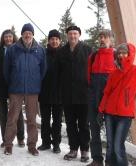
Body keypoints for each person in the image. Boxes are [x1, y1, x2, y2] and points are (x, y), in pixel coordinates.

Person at [3, 23, 47, 156]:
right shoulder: (12, 50)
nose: (27, 35)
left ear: (33, 34)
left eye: (30, 32)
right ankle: (8, 144)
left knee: (32, 119)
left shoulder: (40, 50)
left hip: (33, 91)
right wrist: (12, 83)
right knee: (12, 118)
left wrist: (36, 82)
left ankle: (32, 145)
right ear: (21, 34)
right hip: (16, 90)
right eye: (25, 32)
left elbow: (43, 70)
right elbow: (6, 70)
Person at [58, 25, 92, 162]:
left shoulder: (87, 50)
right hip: (67, 95)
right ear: (67, 35)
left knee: (84, 124)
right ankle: (73, 149)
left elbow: (93, 71)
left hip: (83, 95)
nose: (73, 36)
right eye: (70, 34)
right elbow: (58, 73)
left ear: (79, 35)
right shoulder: (62, 52)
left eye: (75, 34)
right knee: (71, 124)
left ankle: (84, 150)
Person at [0, 29, 25, 148]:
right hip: (1, 87)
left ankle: (20, 138)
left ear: (13, 37)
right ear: (3, 38)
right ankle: (5, 139)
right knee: (3, 114)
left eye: (10, 36)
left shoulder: (20, 50)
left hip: (15, 86)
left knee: (18, 113)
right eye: (6, 37)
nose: (8, 39)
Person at [87, 29, 116, 166]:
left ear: (111, 40)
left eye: (105, 37)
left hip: (110, 101)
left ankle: (110, 161)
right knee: (94, 130)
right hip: (93, 98)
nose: (102, 40)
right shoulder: (93, 56)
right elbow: (88, 77)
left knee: (111, 133)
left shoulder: (116, 56)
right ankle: (97, 160)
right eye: (101, 37)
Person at [38, 29, 63, 154]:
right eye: (52, 39)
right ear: (49, 40)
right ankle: (46, 142)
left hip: (59, 93)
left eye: (56, 39)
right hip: (45, 92)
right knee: (45, 120)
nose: (54, 41)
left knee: (57, 121)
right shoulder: (43, 53)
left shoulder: (63, 54)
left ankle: (56, 144)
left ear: (60, 40)